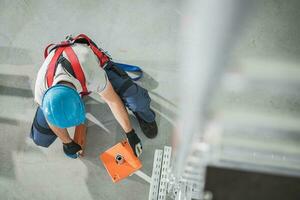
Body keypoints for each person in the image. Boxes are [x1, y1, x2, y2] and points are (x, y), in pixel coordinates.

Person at [30, 34, 157, 159]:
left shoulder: (91, 73)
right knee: (40, 138)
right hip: (69, 78)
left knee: (138, 101)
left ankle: (146, 117)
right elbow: (50, 117)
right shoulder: (41, 91)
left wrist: (130, 133)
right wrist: (67, 142)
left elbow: (112, 101)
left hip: (88, 66)